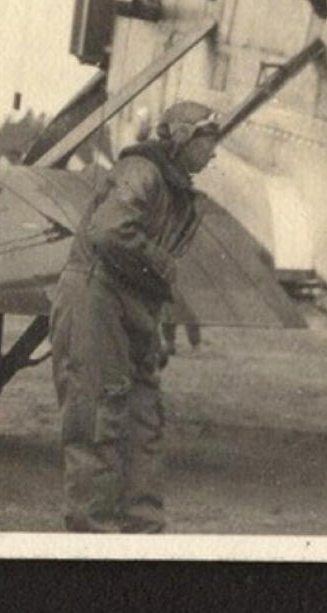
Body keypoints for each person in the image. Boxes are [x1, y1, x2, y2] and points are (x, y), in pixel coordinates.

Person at [49, 100, 218, 532]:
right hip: (96, 293)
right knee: (98, 418)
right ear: (182, 137)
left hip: (130, 302)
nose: (213, 154)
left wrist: (154, 321)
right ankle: (94, 542)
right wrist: (160, 265)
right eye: (208, 141)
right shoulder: (142, 172)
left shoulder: (175, 189)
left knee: (143, 417)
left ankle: (142, 533)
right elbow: (109, 231)